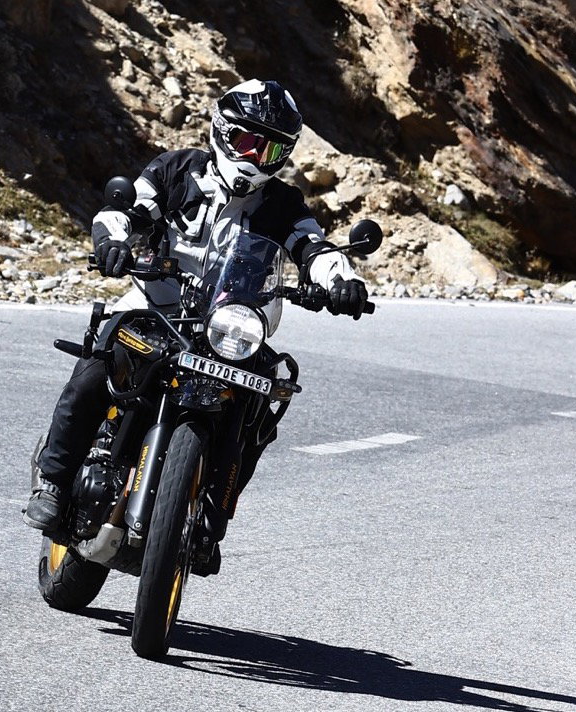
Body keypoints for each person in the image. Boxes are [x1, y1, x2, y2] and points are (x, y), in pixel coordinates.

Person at [23, 79, 369, 533]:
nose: (253, 159)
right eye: (247, 142)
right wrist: (113, 241)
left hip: (231, 326)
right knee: (97, 364)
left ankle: (212, 511)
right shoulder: (176, 169)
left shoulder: (283, 203)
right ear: (223, 131)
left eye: (269, 152)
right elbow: (129, 211)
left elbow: (313, 247)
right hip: (156, 307)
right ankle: (53, 480)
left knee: (263, 401)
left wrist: (342, 281)